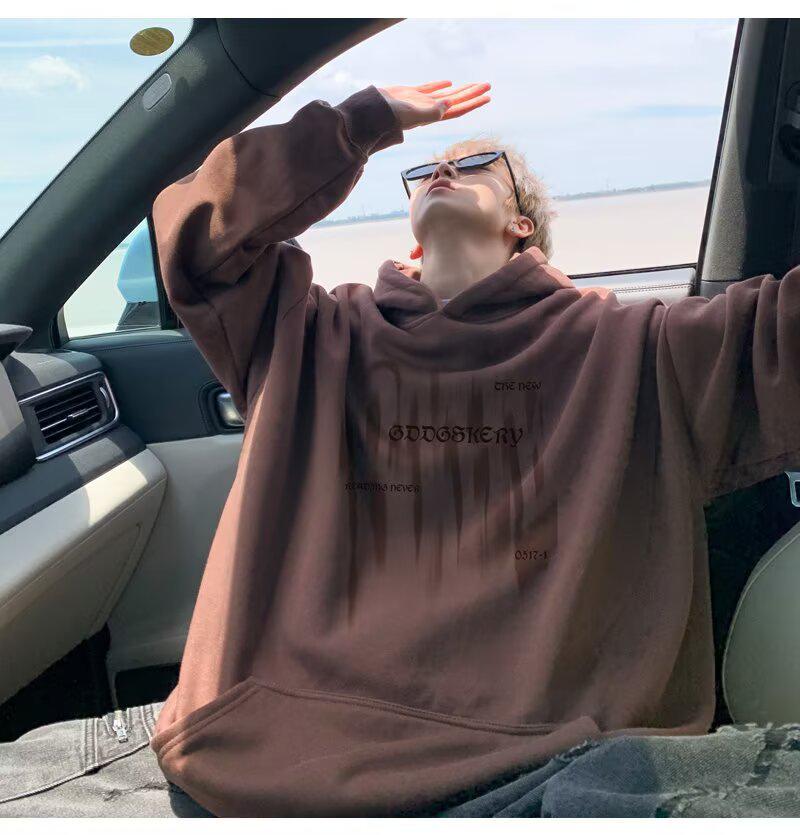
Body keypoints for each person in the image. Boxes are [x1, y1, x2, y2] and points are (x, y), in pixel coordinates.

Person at [4, 80, 800, 817]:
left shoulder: (634, 346)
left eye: (476, 165)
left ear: (522, 225)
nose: (443, 171)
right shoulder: (310, 331)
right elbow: (195, 233)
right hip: (267, 751)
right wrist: (356, 124)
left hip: (550, 765)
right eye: (426, 171)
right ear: (412, 233)